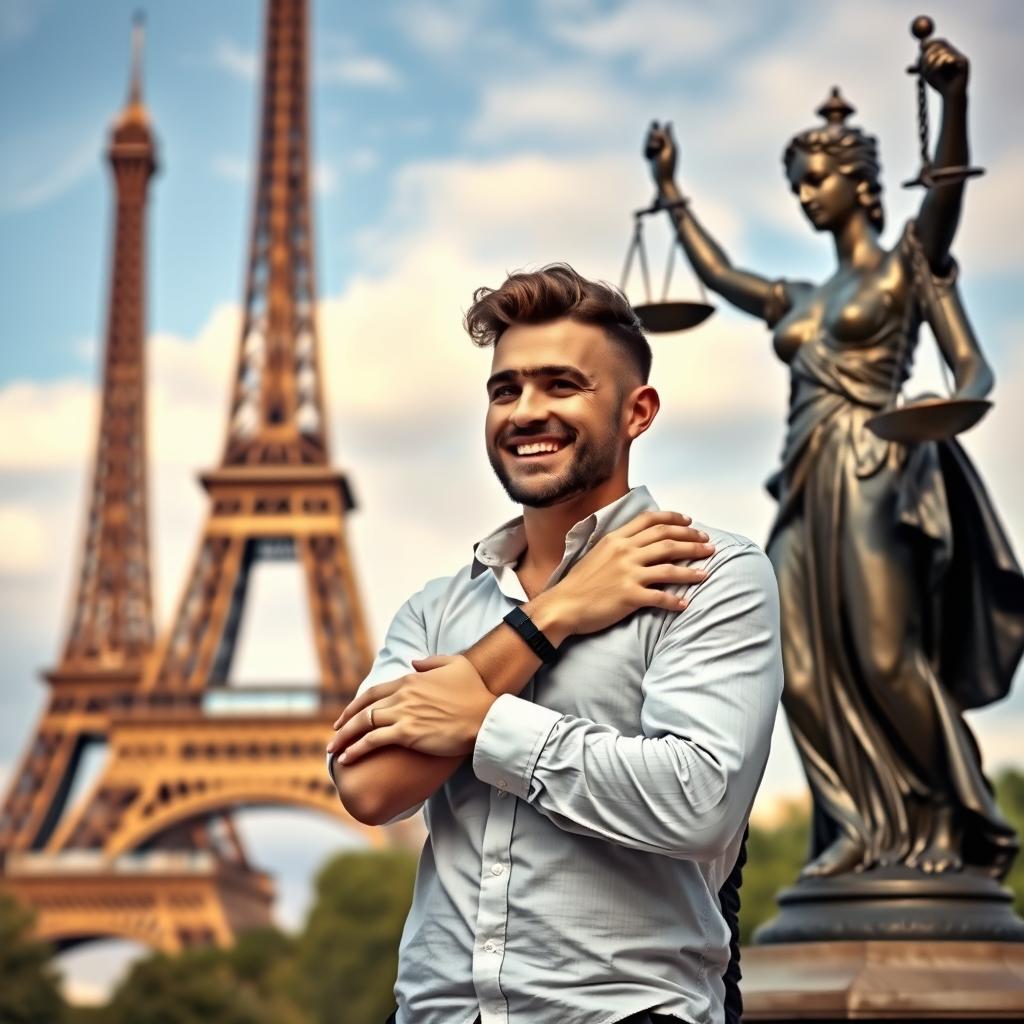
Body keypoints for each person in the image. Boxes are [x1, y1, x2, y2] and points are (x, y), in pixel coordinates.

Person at [325, 264, 783, 1024]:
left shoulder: (711, 575)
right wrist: (552, 616)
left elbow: (699, 801)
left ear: (637, 412)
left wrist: (483, 722)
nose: (526, 411)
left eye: (562, 385)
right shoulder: (434, 610)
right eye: (505, 390)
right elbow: (369, 789)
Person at [644, 34, 1024, 881]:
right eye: (797, 186)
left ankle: (955, 817)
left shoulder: (906, 267)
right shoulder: (801, 296)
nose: (806, 196)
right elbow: (718, 274)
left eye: (815, 179)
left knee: (885, 657)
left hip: (873, 469)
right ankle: (856, 825)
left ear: (859, 181)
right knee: (797, 668)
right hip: (803, 481)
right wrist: (669, 192)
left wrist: (954, 98)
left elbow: (969, 350)